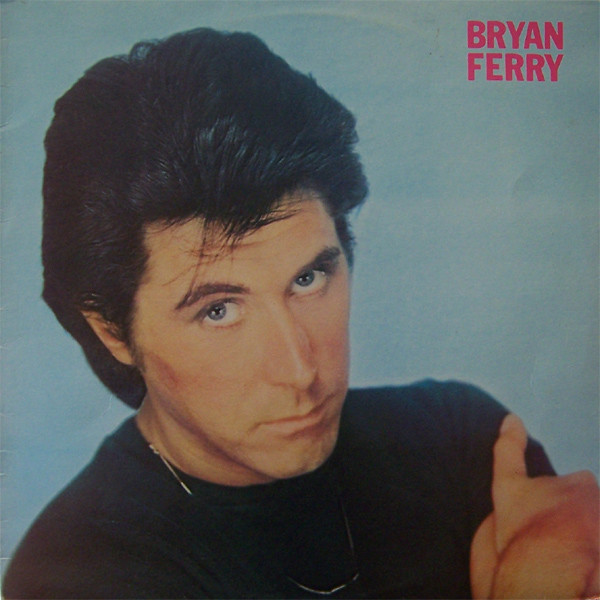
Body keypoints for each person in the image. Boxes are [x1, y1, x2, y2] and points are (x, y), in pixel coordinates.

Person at [3, 27, 598, 599]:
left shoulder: (460, 441)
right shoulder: (74, 577)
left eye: (308, 279)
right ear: (113, 331)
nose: (299, 369)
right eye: (219, 310)